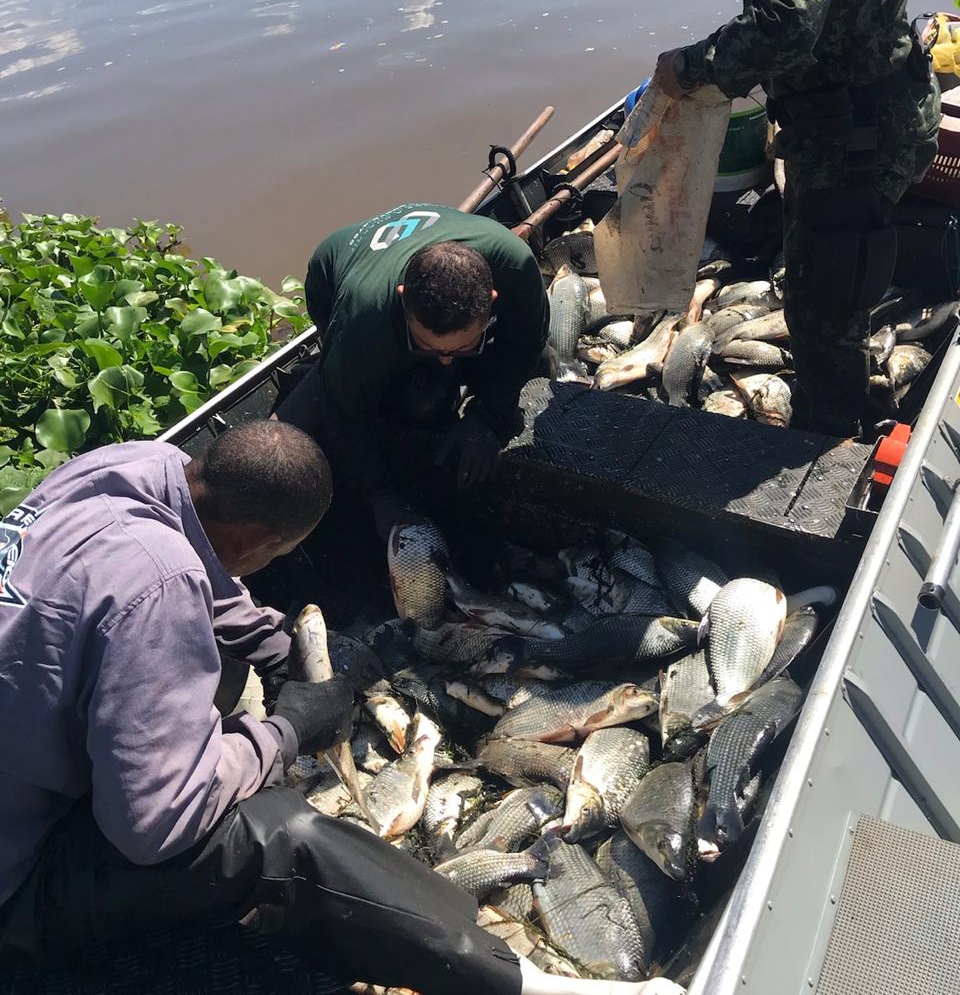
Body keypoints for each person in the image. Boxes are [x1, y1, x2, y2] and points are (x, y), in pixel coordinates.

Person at [0, 421, 682, 995]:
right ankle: (524, 984)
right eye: (275, 557)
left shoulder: (132, 468)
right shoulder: (162, 584)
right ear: (254, 544)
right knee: (273, 834)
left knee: (217, 683)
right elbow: (153, 826)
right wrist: (288, 731)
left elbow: (189, 574)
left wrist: (279, 644)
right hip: (16, 890)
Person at [641, 0, 941, 437]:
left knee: (818, 310)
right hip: (874, 112)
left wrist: (689, 67)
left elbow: (785, 25)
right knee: (835, 280)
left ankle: (824, 447)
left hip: (856, 138)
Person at [277, 203, 550, 539]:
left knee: (539, 363)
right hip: (334, 271)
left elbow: (526, 343)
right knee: (409, 400)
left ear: (493, 299)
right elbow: (343, 413)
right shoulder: (364, 319)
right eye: (430, 346)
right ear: (402, 298)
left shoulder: (517, 265)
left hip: (423, 246)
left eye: (463, 347)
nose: (448, 359)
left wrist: (489, 416)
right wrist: (380, 496)